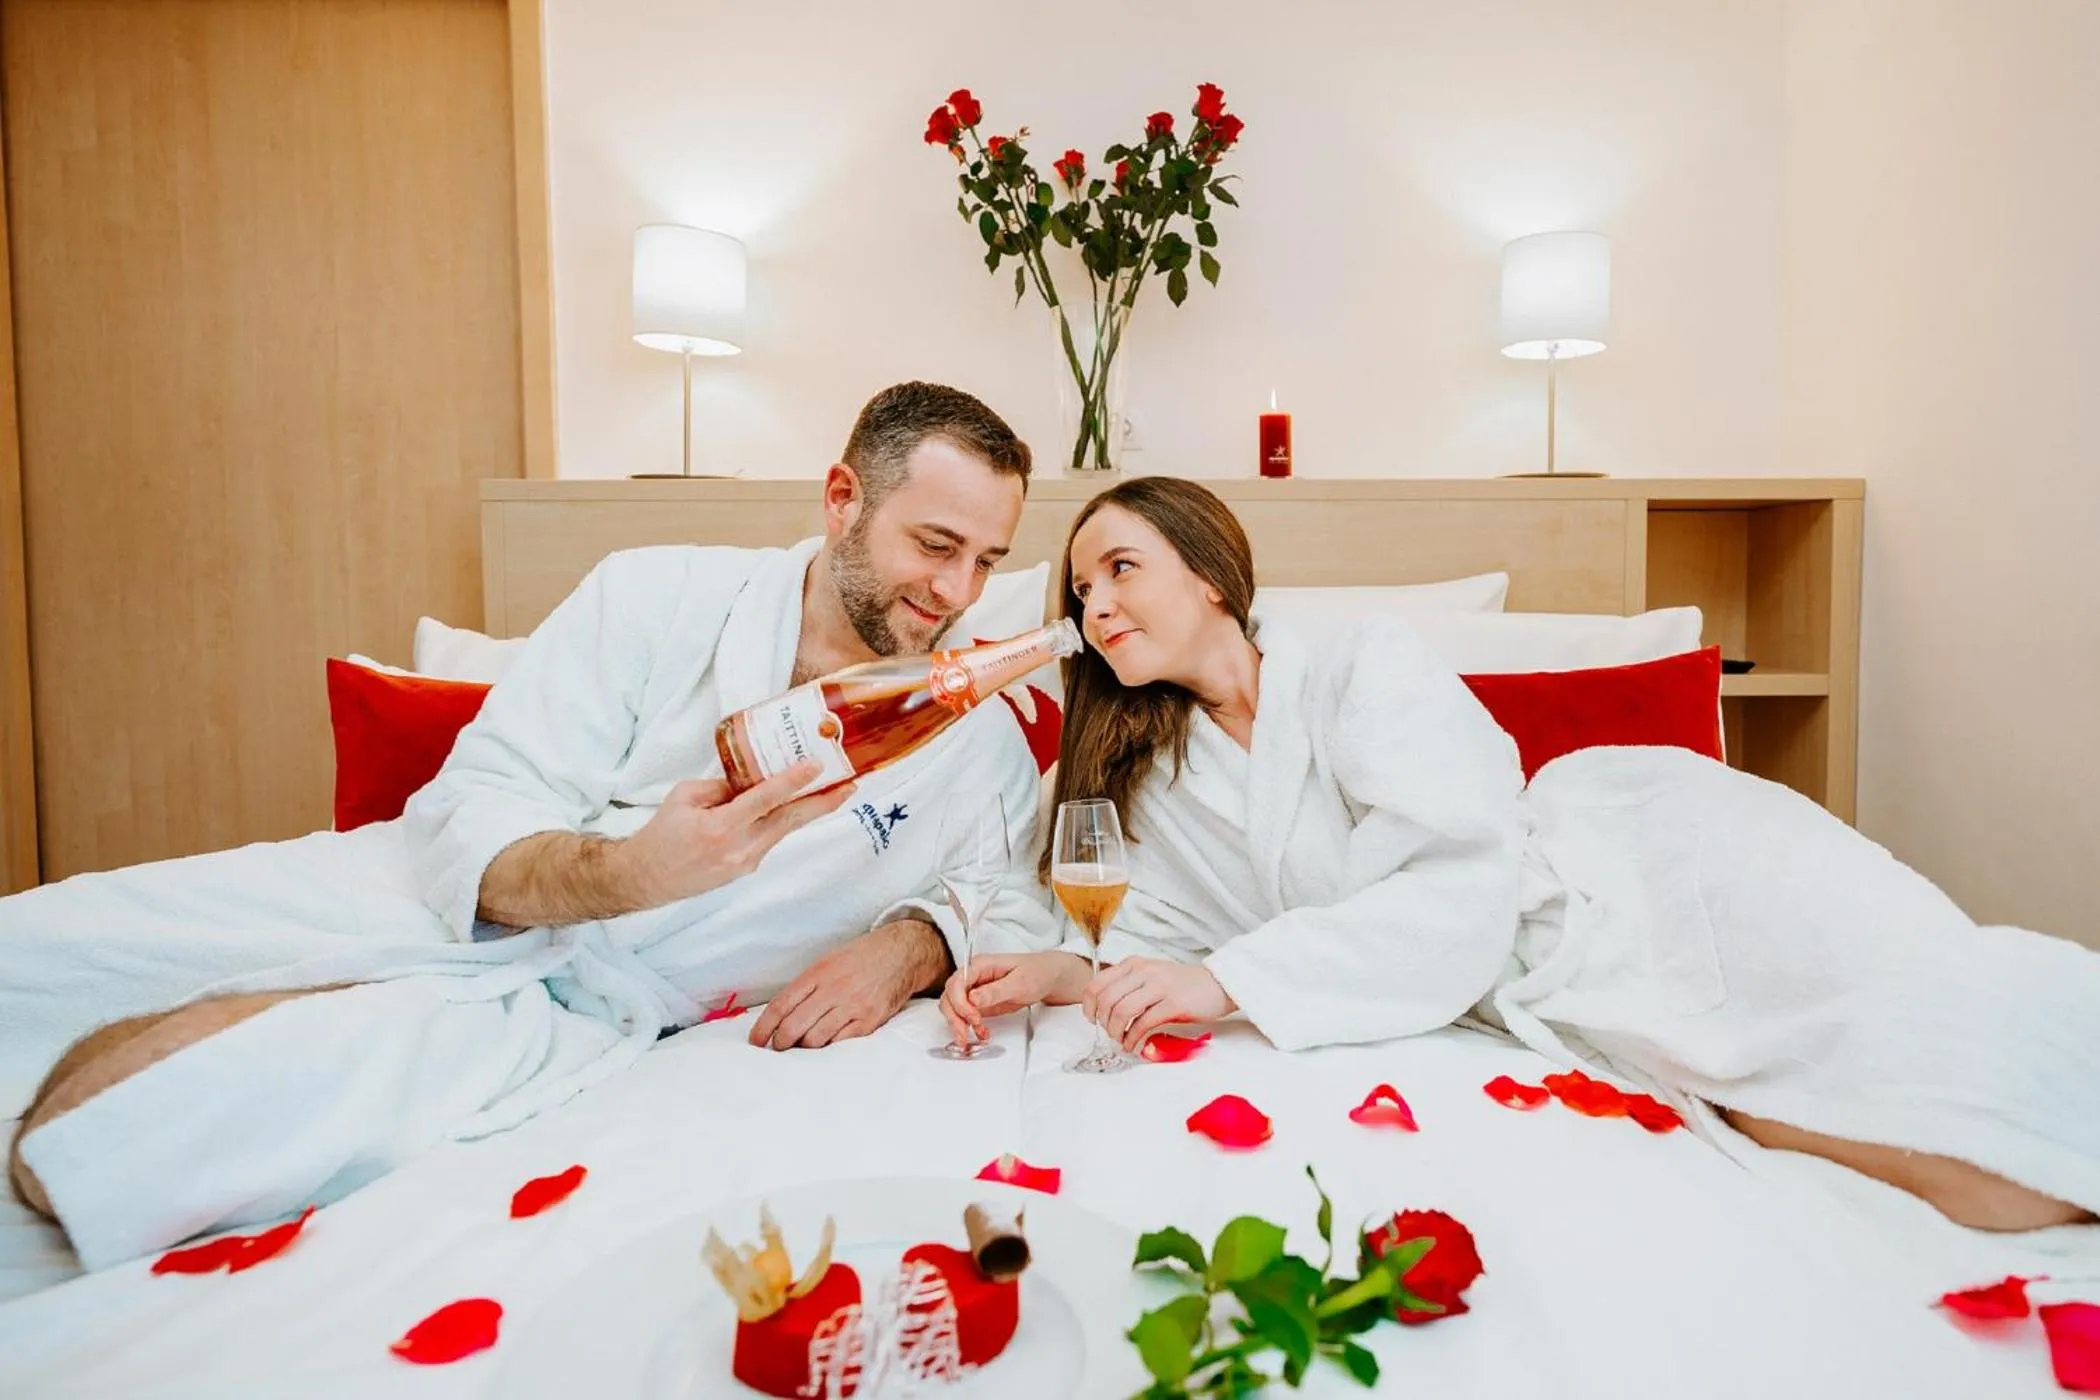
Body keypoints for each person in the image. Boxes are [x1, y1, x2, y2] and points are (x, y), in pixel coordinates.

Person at [5, 381, 1059, 1270]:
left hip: (561, 1015)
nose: (957, 591)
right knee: (54, 950)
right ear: (841, 499)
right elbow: (480, 802)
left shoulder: (969, 734)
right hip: (426, 895)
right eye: (936, 544)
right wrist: (638, 870)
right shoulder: (654, 595)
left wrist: (909, 943)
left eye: (986, 559)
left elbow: (1013, 896)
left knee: (97, 1143)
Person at [942, 476, 2100, 1234]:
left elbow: (1465, 872)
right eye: (1080, 586)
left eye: (1121, 567)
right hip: (1531, 980)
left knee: (1914, 987)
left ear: (1210, 574)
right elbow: (1116, 928)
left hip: (1636, 859)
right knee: (1849, 1124)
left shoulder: (1360, 665)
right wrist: (1051, 968)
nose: (1095, 601)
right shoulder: (1141, 781)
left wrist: (1228, 980)